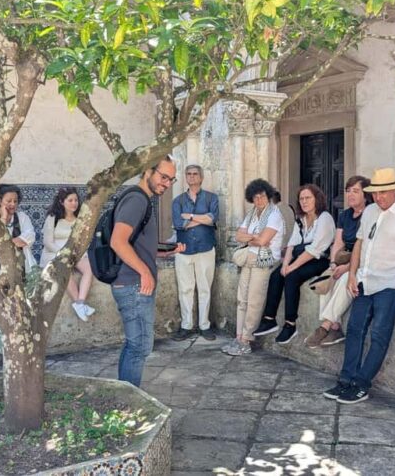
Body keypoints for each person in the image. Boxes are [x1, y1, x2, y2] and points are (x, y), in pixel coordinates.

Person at [323, 167, 395, 404]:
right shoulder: (370, 211)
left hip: (392, 285)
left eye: (384, 193)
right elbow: (360, 243)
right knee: (354, 330)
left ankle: (361, 385)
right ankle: (346, 380)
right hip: (365, 281)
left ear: (394, 190)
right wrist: (352, 274)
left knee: (379, 335)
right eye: (375, 193)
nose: (379, 198)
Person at [110, 155, 185, 386]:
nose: (167, 183)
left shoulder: (142, 199)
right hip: (134, 285)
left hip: (133, 282)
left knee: (135, 344)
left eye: (171, 180)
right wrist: (144, 272)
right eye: (163, 177)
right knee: (140, 346)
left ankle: (125, 396)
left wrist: (164, 253)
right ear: (147, 171)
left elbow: (137, 245)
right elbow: (118, 241)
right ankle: (129, 406)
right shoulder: (137, 200)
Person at [254, 184, 335, 344]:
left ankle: (290, 324)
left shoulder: (324, 218)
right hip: (303, 257)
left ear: (317, 199)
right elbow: (292, 244)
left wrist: (292, 267)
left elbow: (314, 250)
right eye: (301, 199)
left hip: (320, 260)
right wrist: (285, 264)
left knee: (292, 276)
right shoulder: (302, 220)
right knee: (277, 274)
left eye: (308, 198)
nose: (304, 202)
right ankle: (269, 318)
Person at [305, 176, 373, 348]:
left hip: (364, 262)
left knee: (345, 280)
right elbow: (338, 242)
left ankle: (324, 326)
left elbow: (368, 249)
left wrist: (348, 267)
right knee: (327, 279)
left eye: (355, 191)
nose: (350, 194)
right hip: (343, 260)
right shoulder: (345, 215)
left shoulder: (371, 214)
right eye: (348, 191)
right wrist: (334, 264)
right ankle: (335, 327)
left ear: (366, 195)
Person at [222, 179, 285, 356]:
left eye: (262, 196)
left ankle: (247, 339)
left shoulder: (274, 215)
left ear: (268, 195)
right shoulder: (251, 215)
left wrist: (251, 237)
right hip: (249, 259)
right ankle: (239, 336)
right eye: (255, 197)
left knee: (254, 301)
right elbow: (238, 236)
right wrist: (255, 237)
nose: (259, 200)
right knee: (242, 298)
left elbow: (264, 241)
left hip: (263, 262)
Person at [0, 184, 36, 358]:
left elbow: (30, 237)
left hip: (23, 271)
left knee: (25, 310)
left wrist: (5, 243)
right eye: (8, 201)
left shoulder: (23, 217)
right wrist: (3, 220)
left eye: (15, 201)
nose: (12, 204)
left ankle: (25, 348)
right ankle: (3, 351)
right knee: (0, 311)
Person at [171, 165, 220, 341]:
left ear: (201, 177)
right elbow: (179, 224)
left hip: (206, 248)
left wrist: (190, 216)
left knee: (205, 288)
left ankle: (204, 325)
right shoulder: (178, 201)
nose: (191, 177)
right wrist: (203, 219)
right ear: (185, 177)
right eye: (188, 174)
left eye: (195, 174)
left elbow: (213, 219)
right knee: (185, 289)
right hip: (184, 249)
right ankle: (186, 325)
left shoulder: (211, 198)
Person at [40, 187, 96, 322]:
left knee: (89, 269)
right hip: (54, 253)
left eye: (76, 200)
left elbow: (83, 241)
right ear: (61, 202)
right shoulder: (53, 218)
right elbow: (47, 242)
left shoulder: (79, 220)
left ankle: (80, 302)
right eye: (70, 200)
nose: (74, 203)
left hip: (74, 254)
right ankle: (79, 303)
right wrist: (63, 254)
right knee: (65, 270)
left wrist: (76, 254)